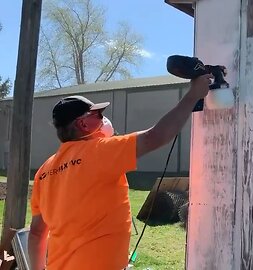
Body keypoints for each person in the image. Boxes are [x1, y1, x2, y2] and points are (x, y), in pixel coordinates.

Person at [28, 74, 213, 270]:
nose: (103, 119)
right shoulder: (100, 151)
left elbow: (37, 233)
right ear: (83, 124)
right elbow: (155, 136)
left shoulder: (44, 171)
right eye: (97, 115)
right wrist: (193, 95)